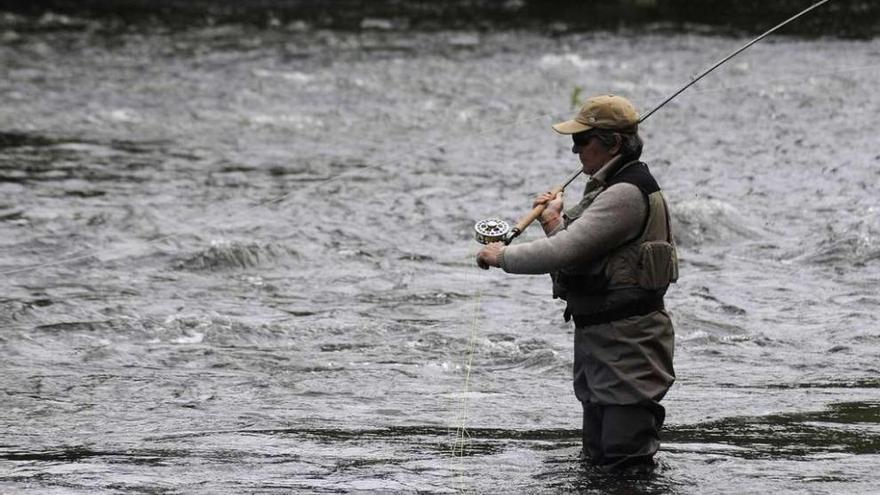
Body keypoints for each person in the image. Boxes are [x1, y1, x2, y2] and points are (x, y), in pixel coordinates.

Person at [476, 94, 678, 471]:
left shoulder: (626, 194)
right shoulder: (609, 188)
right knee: (598, 461)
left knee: (624, 463)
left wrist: (501, 256)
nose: (574, 150)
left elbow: (565, 252)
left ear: (613, 143)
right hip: (604, 346)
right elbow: (580, 251)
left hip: (629, 349)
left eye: (582, 140)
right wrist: (552, 220)